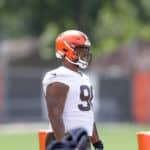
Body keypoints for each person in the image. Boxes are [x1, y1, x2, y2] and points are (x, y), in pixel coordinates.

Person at [42, 29, 104, 150]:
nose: (85, 54)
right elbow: (55, 116)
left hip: (82, 140)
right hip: (66, 140)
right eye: (80, 50)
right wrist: (63, 144)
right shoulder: (59, 76)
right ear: (65, 50)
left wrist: (96, 142)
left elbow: (87, 114)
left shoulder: (84, 78)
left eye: (86, 50)